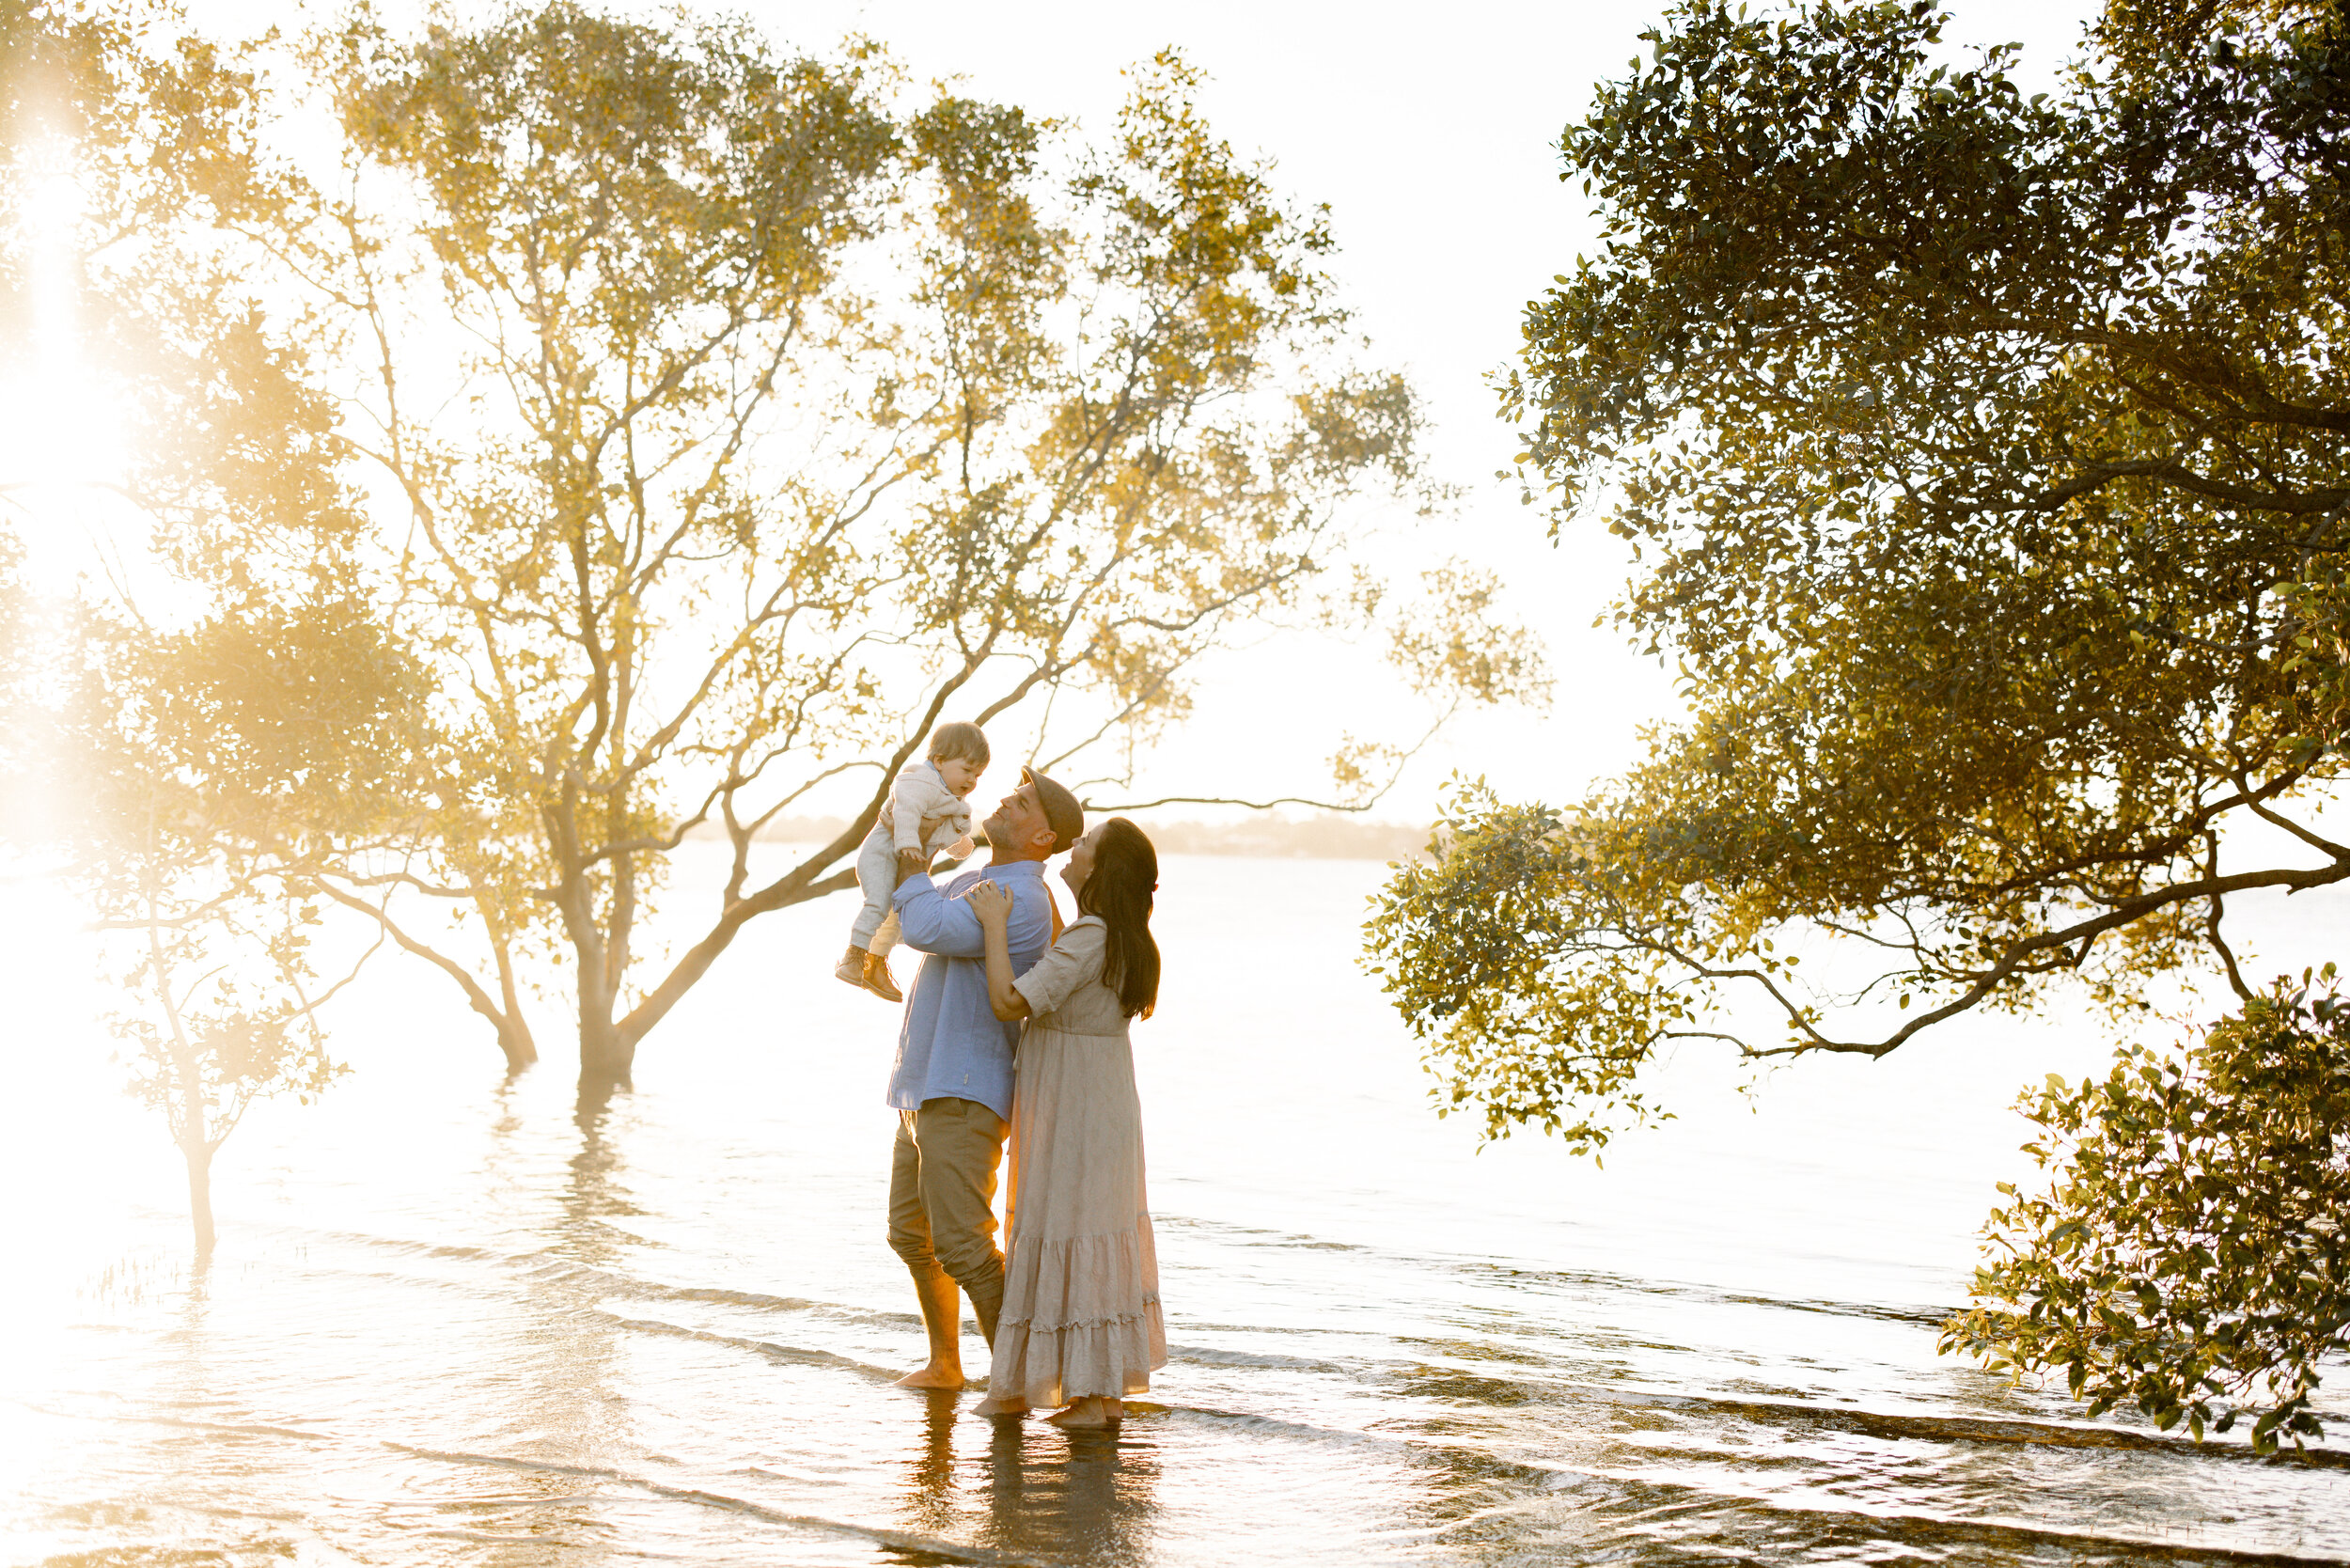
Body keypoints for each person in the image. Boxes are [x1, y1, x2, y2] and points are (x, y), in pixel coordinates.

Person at [883, 766, 1086, 1389]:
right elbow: (908, 914)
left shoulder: (1020, 900)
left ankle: (1021, 1382)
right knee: (910, 1235)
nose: (1003, 800)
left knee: (966, 1248)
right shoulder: (980, 879)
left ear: (1043, 838)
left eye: (1021, 803)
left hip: (966, 1091)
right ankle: (947, 1365)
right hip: (926, 1085)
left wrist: (912, 849)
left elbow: (921, 925)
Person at [964, 817, 1167, 1428]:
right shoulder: (1114, 937)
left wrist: (995, 925)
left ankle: (1088, 1394)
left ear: (1101, 870)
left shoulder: (1092, 936)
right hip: (1101, 1101)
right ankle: (1097, 1395)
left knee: (1068, 1227)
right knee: (1093, 1231)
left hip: (1074, 1107)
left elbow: (1008, 1001)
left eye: (1085, 845)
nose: (1073, 850)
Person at [838, 723, 990, 1003]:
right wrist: (908, 842)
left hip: (904, 858)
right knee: (879, 902)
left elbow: (947, 831)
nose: (972, 780)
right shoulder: (918, 782)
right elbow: (906, 810)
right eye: (967, 770)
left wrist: (962, 846)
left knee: (898, 914)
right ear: (939, 761)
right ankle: (853, 957)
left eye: (978, 774)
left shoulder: (948, 797)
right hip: (884, 852)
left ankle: (875, 966)